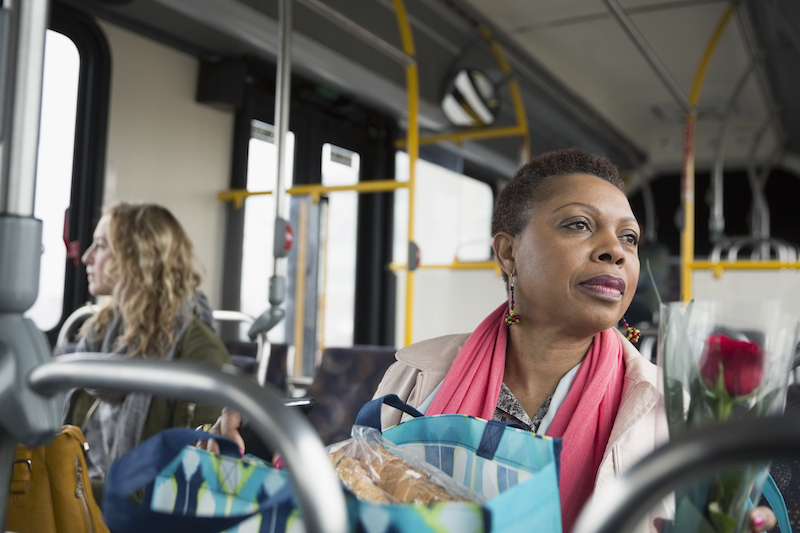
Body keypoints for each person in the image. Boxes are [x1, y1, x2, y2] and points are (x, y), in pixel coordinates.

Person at [208, 148, 776, 532]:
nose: (615, 250)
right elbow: (367, 496)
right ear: (508, 252)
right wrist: (256, 463)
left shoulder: (670, 408)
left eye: (628, 237)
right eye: (579, 224)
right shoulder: (418, 375)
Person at [63, 202, 231, 481]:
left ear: (138, 258)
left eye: (101, 246)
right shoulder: (98, 334)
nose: (87, 257)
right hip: (76, 492)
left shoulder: (200, 352)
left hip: (126, 503)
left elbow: (197, 475)